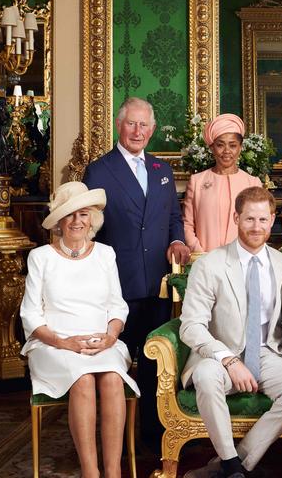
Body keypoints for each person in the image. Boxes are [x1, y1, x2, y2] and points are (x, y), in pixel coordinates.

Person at [82, 97, 190, 447]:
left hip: (156, 282)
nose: (138, 131)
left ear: (153, 129)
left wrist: (177, 242)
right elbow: (89, 228)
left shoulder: (162, 171)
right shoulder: (99, 171)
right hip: (117, 283)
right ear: (119, 125)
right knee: (117, 363)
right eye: (132, 124)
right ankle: (117, 438)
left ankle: (154, 436)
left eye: (144, 125)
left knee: (155, 361)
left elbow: (174, 218)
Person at [179, 186, 282, 478]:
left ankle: (233, 465)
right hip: (221, 352)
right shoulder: (210, 264)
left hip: (268, 351)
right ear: (236, 218)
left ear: (272, 219)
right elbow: (191, 325)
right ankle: (232, 464)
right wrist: (228, 360)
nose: (256, 227)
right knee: (206, 376)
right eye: (249, 219)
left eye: (262, 220)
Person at [20, 182, 140, 478]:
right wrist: (64, 343)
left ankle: (113, 471)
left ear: (92, 220)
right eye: (70, 215)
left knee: (112, 378)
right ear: (59, 222)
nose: (77, 221)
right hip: (53, 344)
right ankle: (90, 471)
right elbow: (31, 314)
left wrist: (111, 336)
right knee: (83, 379)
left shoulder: (105, 254)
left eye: (83, 214)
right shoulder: (41, 258)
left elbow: (117, 306)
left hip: (102, 341)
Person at [183, 113, 262, 253]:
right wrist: (199, 253)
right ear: (212, 147)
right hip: (204, 260)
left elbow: (258, 226)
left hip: (242, 260)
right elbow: (187, 224)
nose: (226, 151)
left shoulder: (252, 183)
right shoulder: (197, 181)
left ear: (240, 147)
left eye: (232, 145)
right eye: (220, 145)